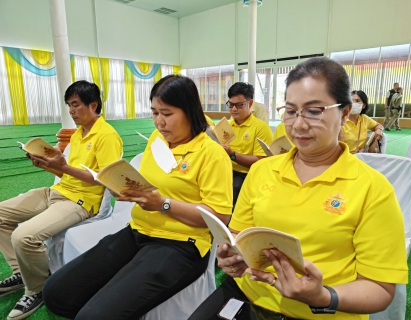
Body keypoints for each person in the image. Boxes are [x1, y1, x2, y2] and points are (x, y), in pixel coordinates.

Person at [189, 57, 408, 320]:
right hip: (248, 293)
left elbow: (381, 290)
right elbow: (237, 234)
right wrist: (231, 258)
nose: (299, 124)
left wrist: (323, 296)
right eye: (291, 111)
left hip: (321, 312)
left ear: (345, 113)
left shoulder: (372, 188)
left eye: (314, 111)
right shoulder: (262, 170)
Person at [42, 75, 233, 320]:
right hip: (137, 231)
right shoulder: (157, 140)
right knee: (56, 293)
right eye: (154, 113)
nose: (159, 122)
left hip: (182, 245)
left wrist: (163, 204)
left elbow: (219, 216)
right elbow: (145, 182)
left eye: (167, 113)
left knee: (93, 316)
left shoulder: (212, 154)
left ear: (189, 111)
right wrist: (121, 187)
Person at [0, 80, 123, 320]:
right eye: (69, 105)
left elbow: (105, 179)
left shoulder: (107, 136)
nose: (71, 111)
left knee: (23, 236)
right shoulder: (78, 134)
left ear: (93, 104)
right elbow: (67, 172)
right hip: (58, 192)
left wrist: (63, 165)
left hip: (81, 202)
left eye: (75, 105)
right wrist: (50, 165)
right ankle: (21, 272)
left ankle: (36, 289)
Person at [224, 82, 273, 206]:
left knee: (234, 190)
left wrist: (232, 154)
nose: (234, 109)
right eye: (231, 105)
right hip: (225, 170)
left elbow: (260, 160)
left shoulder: (261, 128)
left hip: (246, 174)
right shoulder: (226, 126)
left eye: (239, 105)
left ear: (250, 103)